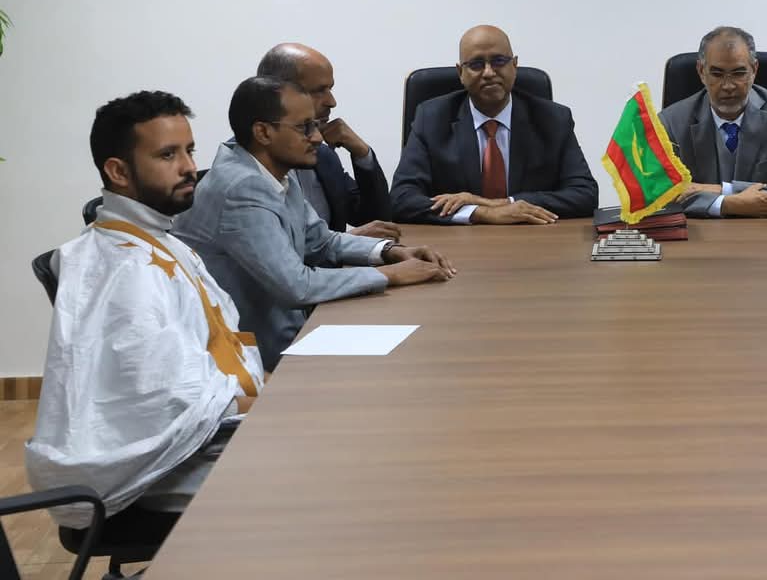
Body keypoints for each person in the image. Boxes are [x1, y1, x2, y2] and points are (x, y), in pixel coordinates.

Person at [27, 91, 264, 527]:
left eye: (190, 150)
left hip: (214, 437)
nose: (189, 167)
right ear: (118, 171)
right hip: (172, 472)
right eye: (168, 155)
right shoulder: (126, 271)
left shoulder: (155, 240)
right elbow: (167, 403)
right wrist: (273, 404)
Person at [175, 77, 454, 371]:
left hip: (296, 330)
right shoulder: (241, 188)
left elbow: (321, 240)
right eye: (305, 127)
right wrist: (391, 275)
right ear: (263, 132)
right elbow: (296, 286)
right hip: (256, 355)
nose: (318, 138)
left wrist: (390, 251)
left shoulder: (274, 168)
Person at [391, 24, 599, 223]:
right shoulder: (431, 118)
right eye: (476, 64)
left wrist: (503, 203)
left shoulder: (553, 119)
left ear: (514, 65)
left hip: (533, 238)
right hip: (457, 241)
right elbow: (401, 198)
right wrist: (480, 213)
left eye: (499, 61)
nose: (489, 72)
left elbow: (585, 194)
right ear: (460, 73)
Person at [659, 26, 767, 218]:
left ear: (754, 70)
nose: (728, 86)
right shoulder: (671, 121)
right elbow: (663, 197)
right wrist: (728, 204)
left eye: (738, 73)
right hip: (700, 234)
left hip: (766, 233)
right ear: (701, 71)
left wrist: (722, 190)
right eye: (717, 74)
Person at [256, 42, 398, 238]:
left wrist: (362, 153)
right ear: (278, 93)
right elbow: (275, 249)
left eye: (330, 89)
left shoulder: (323, 155)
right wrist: (348, 240)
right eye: (319, 91)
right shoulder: (250, 166)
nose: (332, 102)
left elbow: (378, 221)